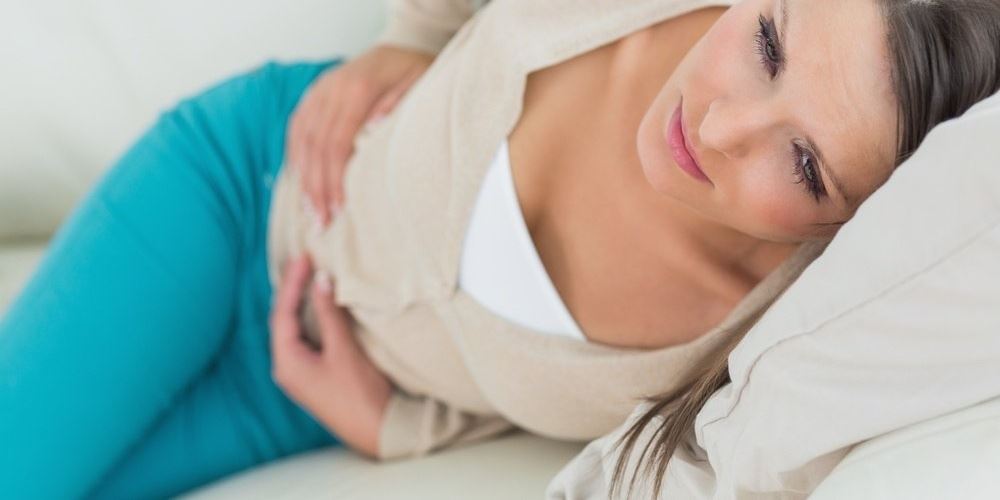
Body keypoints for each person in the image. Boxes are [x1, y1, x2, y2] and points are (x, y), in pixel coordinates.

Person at [0, 1, 997, 500]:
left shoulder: (747, 348)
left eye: (807, 163)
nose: (722, 125)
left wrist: (400, 427)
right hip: (237, 193)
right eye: (769, 44)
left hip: (292, 389)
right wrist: (411, 42)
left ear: (850, 220)